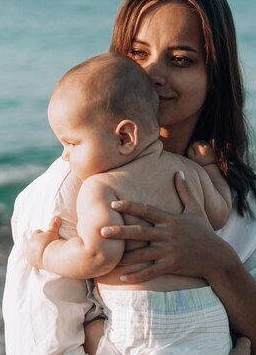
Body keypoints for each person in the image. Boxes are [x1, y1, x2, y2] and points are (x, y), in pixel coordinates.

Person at [3, 0, 256, 355]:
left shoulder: (246, 196)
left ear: (214, 76)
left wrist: (218, 262)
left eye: (180, 60)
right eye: (138, 53)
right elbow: (41, 343)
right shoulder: (68, 190)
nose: (152, 75)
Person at [27, 52, 234, 355]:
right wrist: (211, 168)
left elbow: (99, 255)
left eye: (72, 143)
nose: (65, 156)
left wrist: (47, 252)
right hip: (210, 321)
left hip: (144, 325)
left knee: (93, 332)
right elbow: (221, 213)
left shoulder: (101, 186)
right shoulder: (187, 170)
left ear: (125, 137)